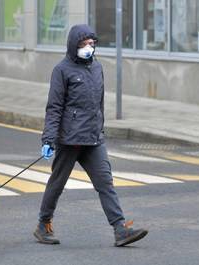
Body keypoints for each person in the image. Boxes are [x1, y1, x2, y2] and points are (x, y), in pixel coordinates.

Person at [33, 24, 148, 247]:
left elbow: (99, 104)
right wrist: (48, 139)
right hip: (69, 140)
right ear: (73, 45)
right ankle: (43, 224)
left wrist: (99, 128)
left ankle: (120, 229)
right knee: (57, 184)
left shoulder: (96, 68)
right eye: (84, 44)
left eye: (91, 44)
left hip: (93, 139)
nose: (88, 48)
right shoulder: (62, 70)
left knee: (105, 182)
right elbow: (54, 107)